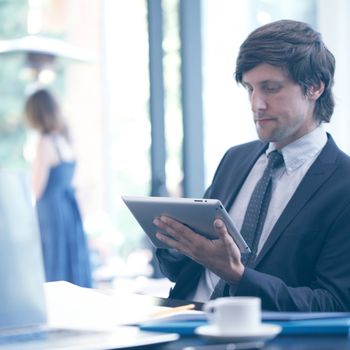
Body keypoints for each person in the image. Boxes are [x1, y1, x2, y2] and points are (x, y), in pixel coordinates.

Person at [154, 19, 350, 311]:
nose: (256, 104)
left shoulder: (343, 184)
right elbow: (195, 269)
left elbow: (335, 304)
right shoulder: (236, 159)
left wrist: (238, 275)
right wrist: (177, 244)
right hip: (184, 319)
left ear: (315, 88)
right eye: (249, 89)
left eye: (270, 88)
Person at [25, 88, 93, 288]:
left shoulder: (44, 143)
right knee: (70, 261)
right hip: (68, 209)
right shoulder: (66, 140)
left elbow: (36, 188)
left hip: (50, 211)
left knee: (52, 263)